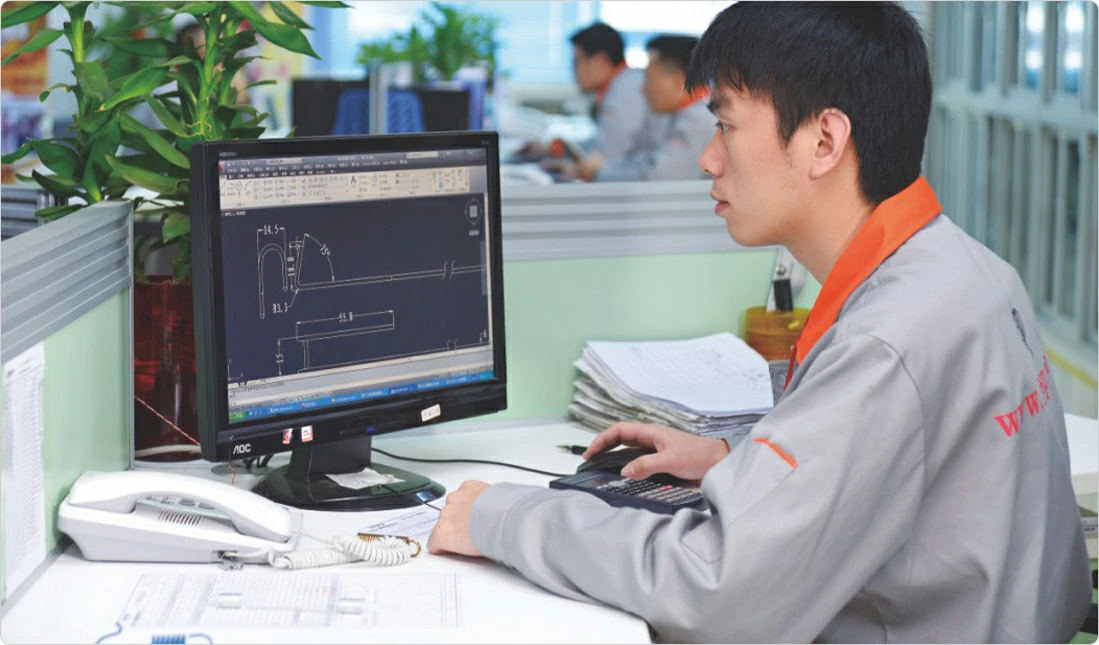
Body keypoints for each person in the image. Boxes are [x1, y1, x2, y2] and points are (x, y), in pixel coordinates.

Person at [426, 2, 1092, 643]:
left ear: (824, 141)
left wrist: (500, 515)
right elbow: (900, 453)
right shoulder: (968, 269)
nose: (707, 158)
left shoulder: (886, 340)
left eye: (725, 124)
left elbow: (714, 592)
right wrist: (736, 456)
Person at [573, 35, 712, 182]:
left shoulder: (698, 120)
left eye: (650, 78)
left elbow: (658, 175)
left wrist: (599, 173)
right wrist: (606, 168)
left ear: (678, 82)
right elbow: (652, 161)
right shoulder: (690, 113)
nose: (644, 88)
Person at [522, 22, 664, 164]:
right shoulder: (622, 83)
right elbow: (602, 144)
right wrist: (555, 148)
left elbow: (606, 156)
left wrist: (568, 163)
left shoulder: (626, 89)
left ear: (600, 61)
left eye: (576, 62)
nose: (574, 72)